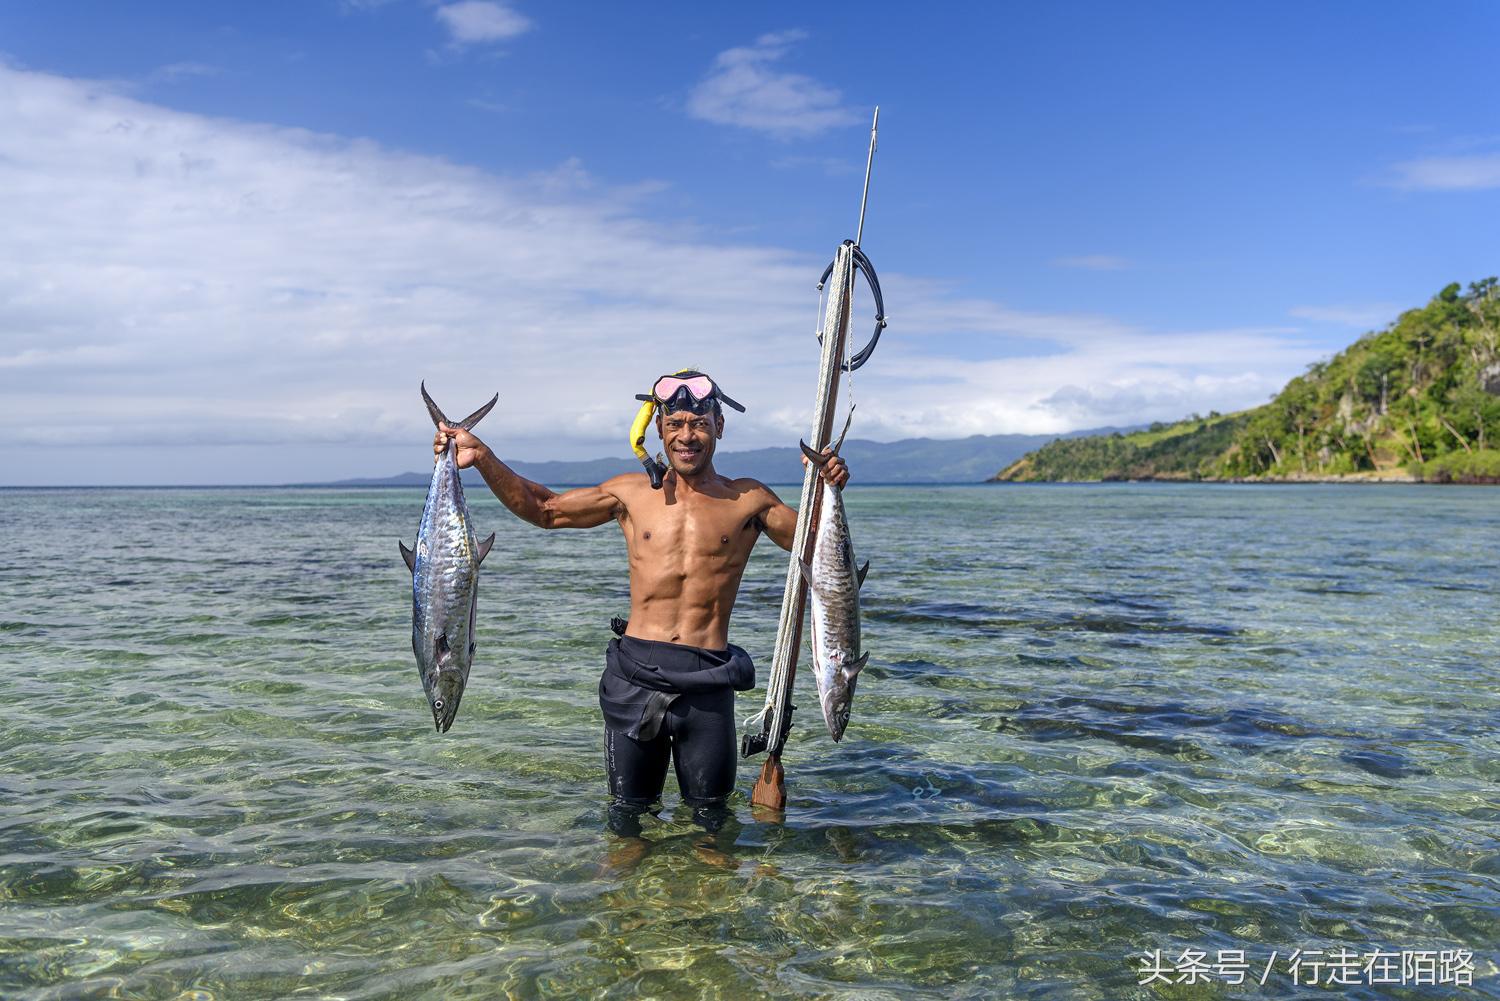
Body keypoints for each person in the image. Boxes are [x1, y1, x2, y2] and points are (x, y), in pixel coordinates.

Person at [432, 370, 849, 836]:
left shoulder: (748, 499)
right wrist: (482, 456)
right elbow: (544, 509)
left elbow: (823, 553)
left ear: (719, 427)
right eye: (675, 425)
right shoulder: (630, 494)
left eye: (699, 423)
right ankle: (629, 907)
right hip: (634, 677)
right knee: (627, 824)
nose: (686, 435)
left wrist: (827, 487)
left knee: (714, 830)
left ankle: (710, 904)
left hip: (707, 680)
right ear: (659, 431)